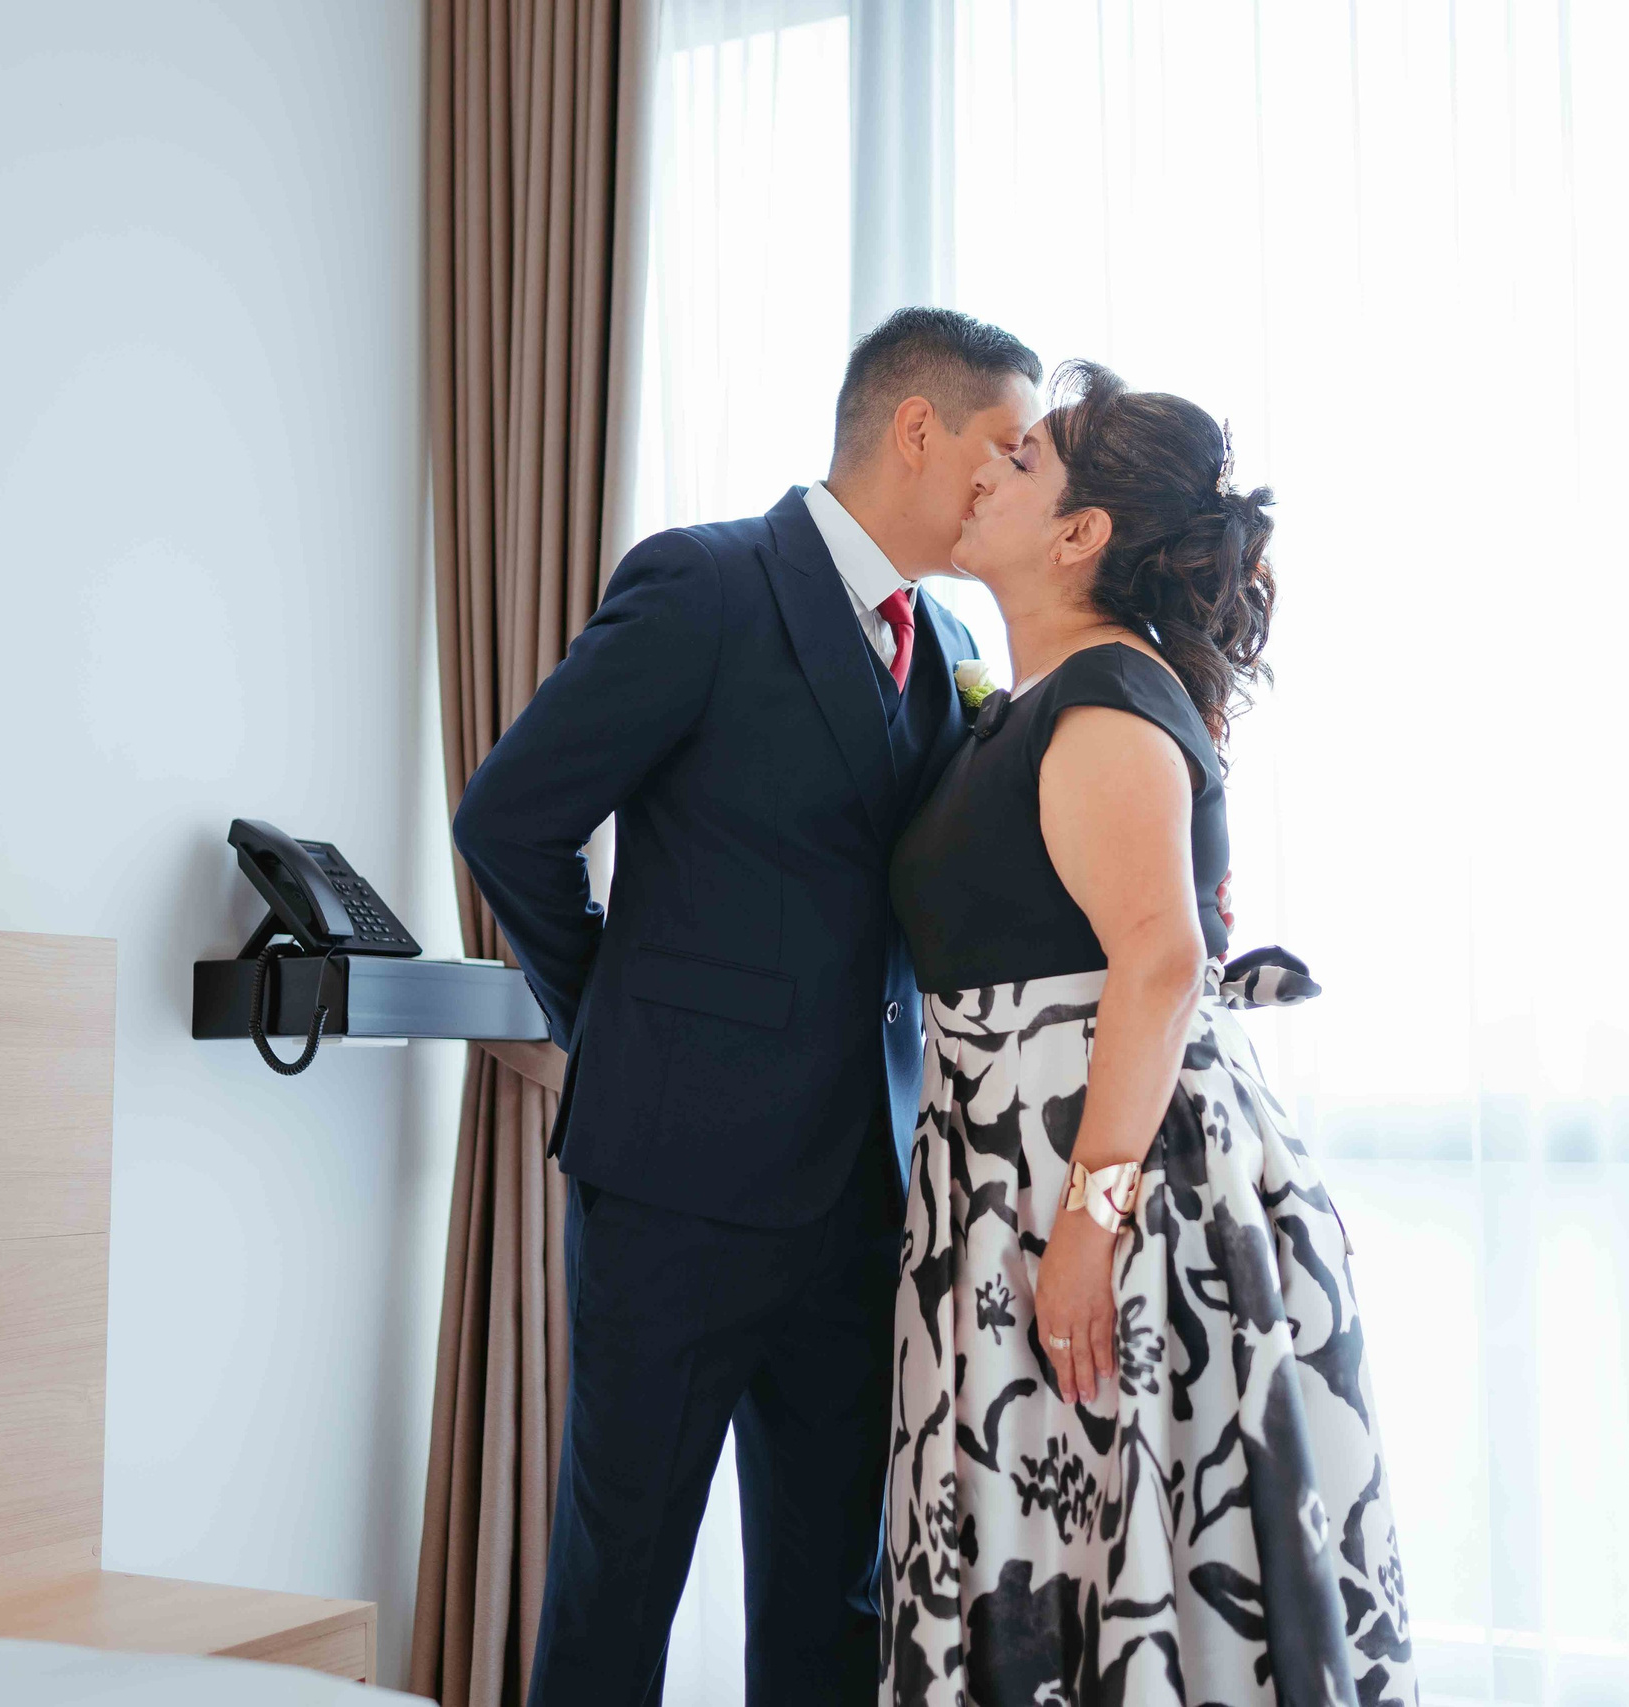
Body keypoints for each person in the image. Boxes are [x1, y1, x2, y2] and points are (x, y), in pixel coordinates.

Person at [453, 307, 1044, 1705]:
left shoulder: (951, 638)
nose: (1016, 480)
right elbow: (509, 819)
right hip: (674, 1192)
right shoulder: (708, 587)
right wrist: (613, 1016)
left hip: (860, 1207)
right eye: (1006, 447)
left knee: (834, 1602)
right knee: (622, 1586)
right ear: (919, 430)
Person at [885, 361, 1417, 1706]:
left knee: (1131, 1573)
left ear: (1082, 534)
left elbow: (1162, 959)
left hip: (1106, 1203)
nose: (986, 473)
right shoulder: (1035, 702)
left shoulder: (1105, 694)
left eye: (1025, 462)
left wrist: (1089, 1224)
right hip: (1019, 1179)